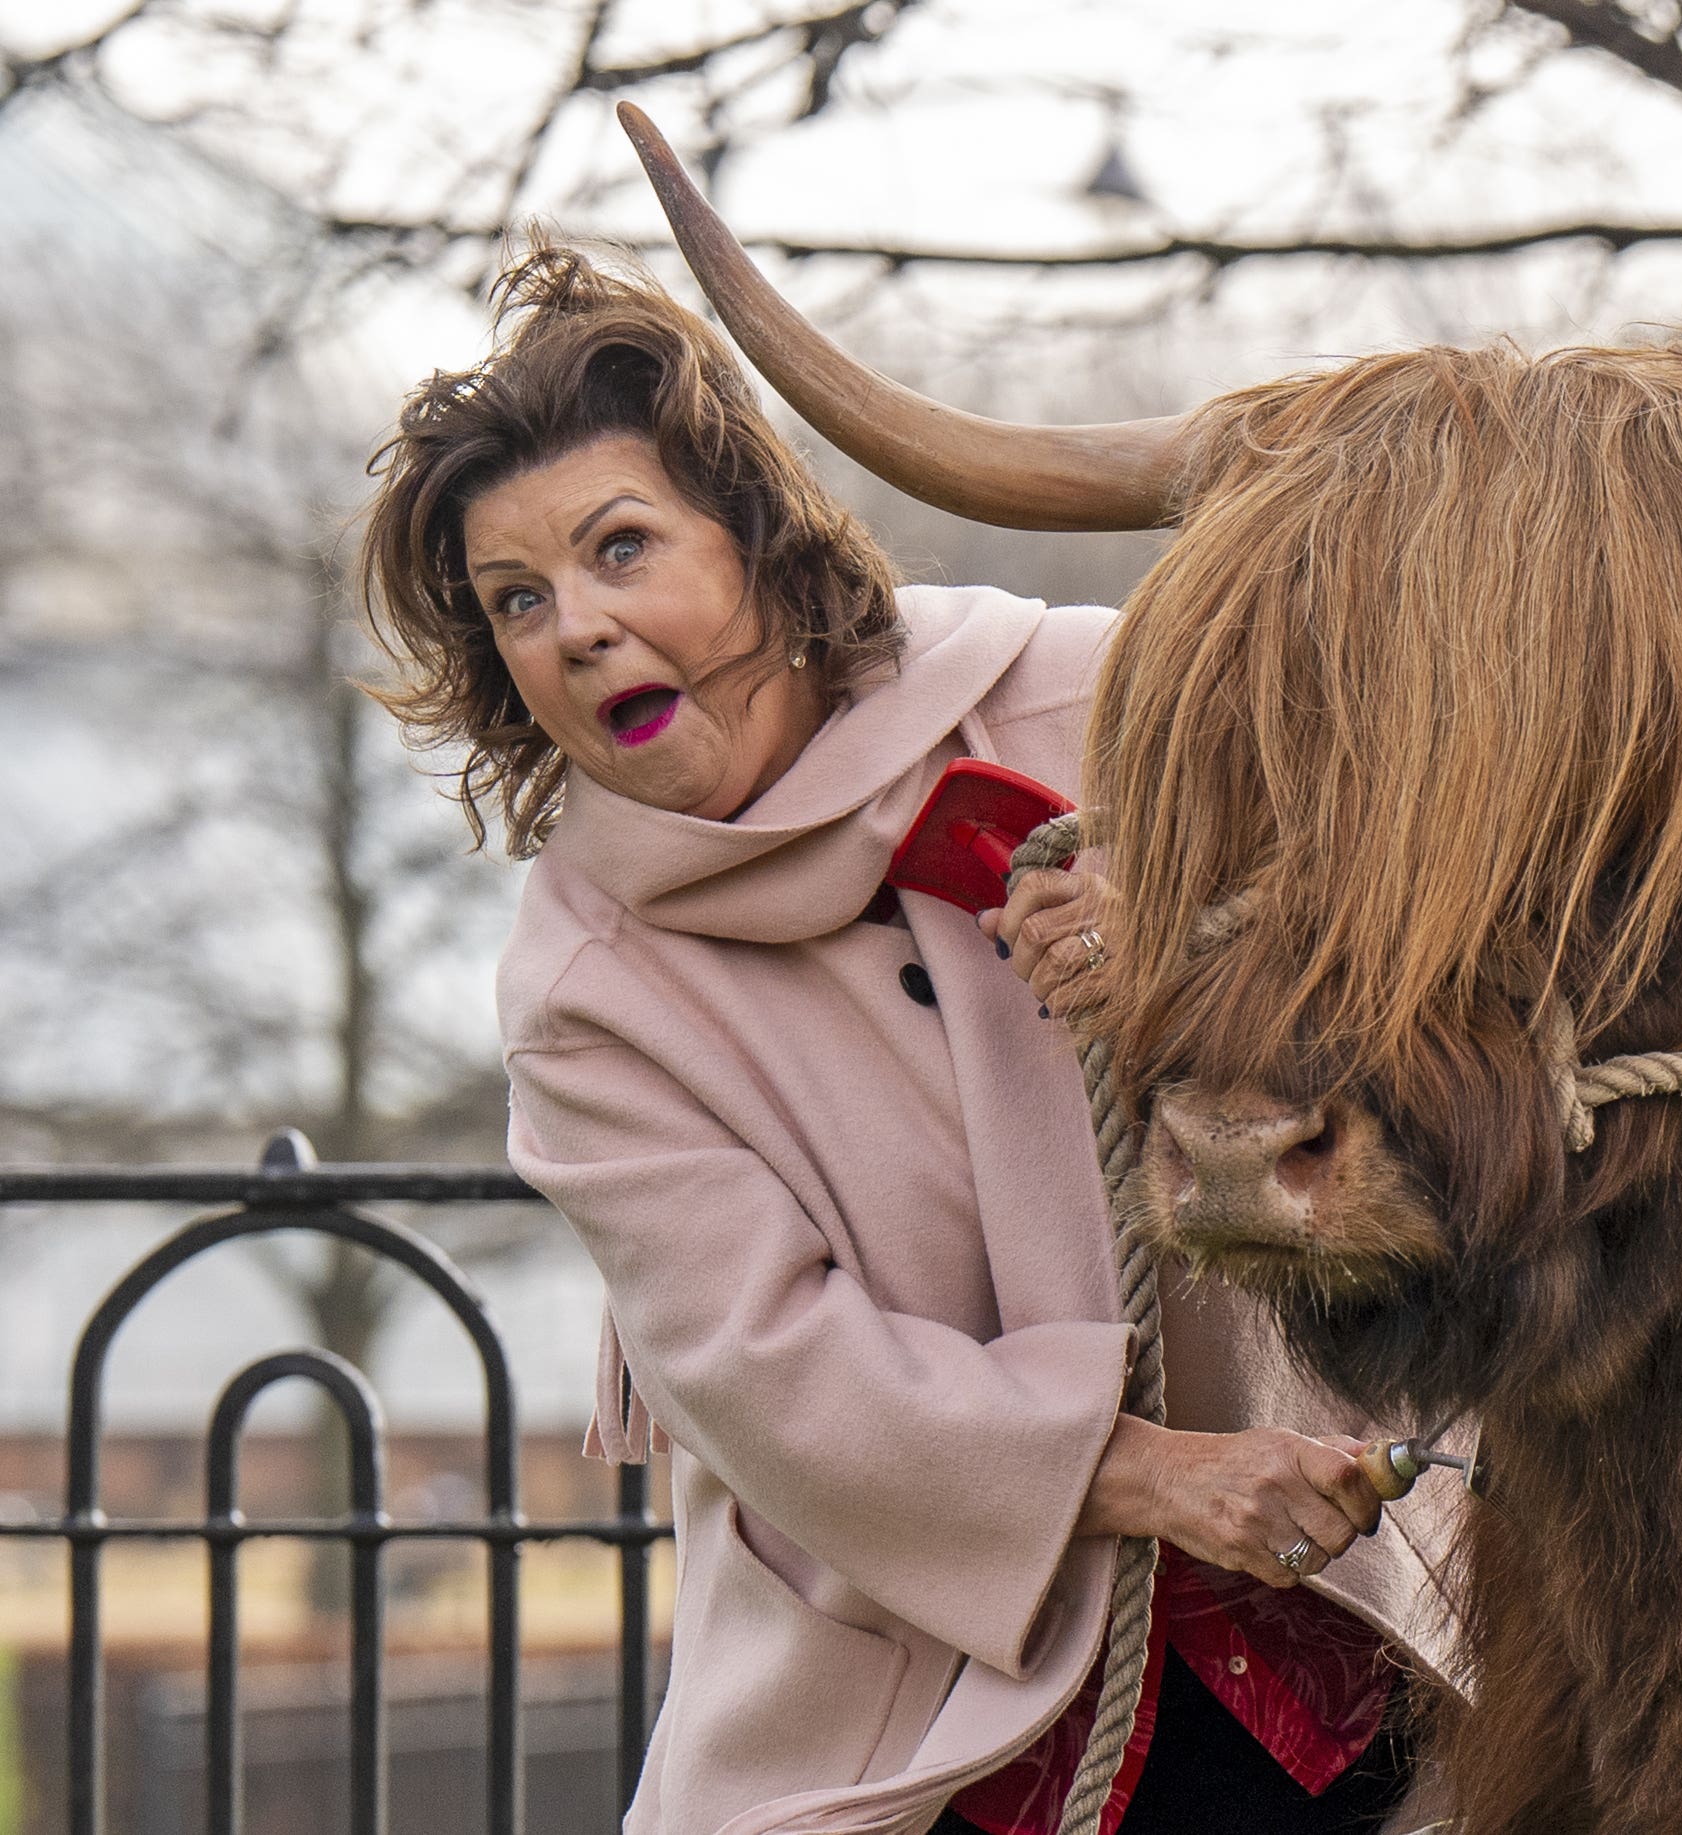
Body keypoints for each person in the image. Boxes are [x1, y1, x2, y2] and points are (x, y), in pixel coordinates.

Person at [359, 242, 1461, 1835]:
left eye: (620, 550)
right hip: (923, 1724)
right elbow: (783, 1377)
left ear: (755, 540)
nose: (578, 628)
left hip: (1327, 1637)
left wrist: (1206, 952)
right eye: (519, 602)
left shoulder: (1098, 695)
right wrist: (1154, 1473)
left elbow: (1441, 958)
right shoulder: (584, 991)